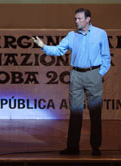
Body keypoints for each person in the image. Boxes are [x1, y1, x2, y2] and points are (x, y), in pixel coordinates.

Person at [32, 8, 111, 156]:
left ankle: (95, 146)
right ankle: (73, 147)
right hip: (76, 75)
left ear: (88, 19)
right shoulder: (71, 35)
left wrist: (99, 74)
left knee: (95, 113)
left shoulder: (101, 33)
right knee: (75, 113)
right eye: (75, 19)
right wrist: (43, 46)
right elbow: (59, 50)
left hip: (93, 74)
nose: (76, 21)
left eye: (79, 19)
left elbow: (106, 57)